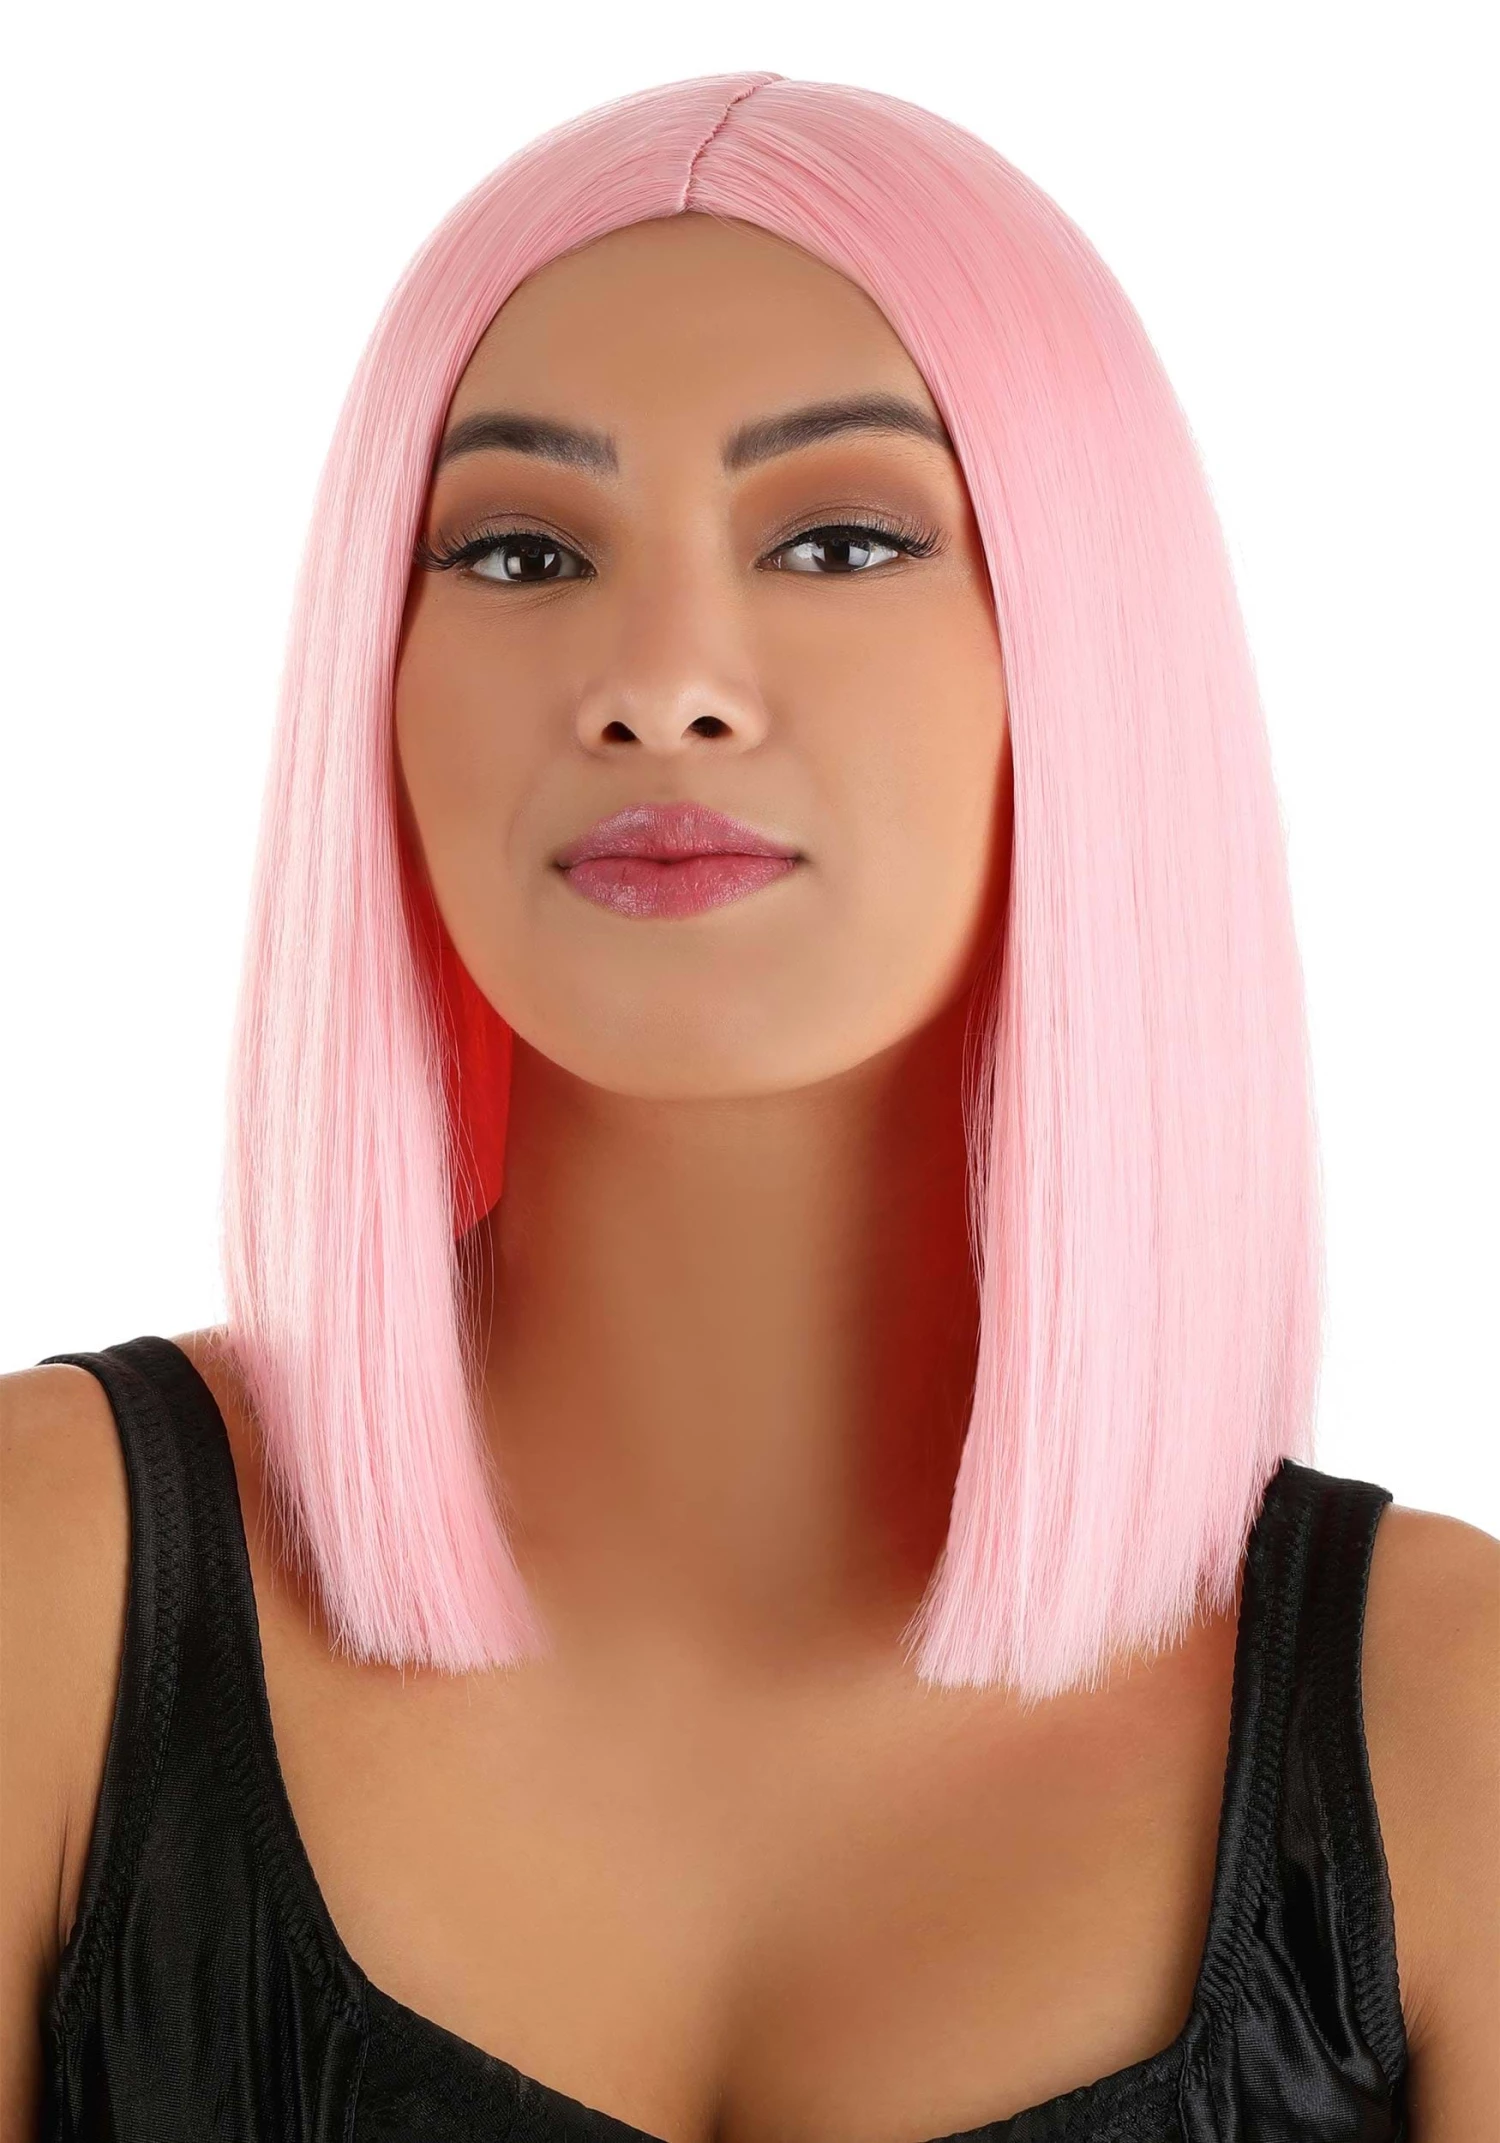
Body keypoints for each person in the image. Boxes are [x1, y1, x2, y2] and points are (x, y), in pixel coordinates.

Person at [1, 70, 1495, 2143]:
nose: (663, 679)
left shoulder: (1449, 1733)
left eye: (842, 538)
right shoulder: (48, 1593)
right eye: (520, 548)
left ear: (1080, 658)